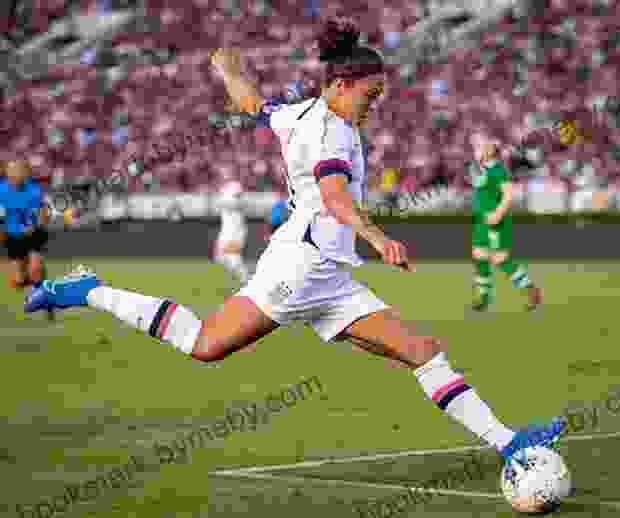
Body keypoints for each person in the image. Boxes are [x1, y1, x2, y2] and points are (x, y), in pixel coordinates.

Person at [25, 18, 564, 504]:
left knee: (422, 351)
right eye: (369, 95)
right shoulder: (332, 129)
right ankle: (88, 290)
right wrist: (377, 238)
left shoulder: (301, 113)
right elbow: (334, 197)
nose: (373, 105)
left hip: (327, 273)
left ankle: (510, 442)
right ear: (339, 85)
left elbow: (252, 106)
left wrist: (229, 71)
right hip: (299, 270)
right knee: (204, 344)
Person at [469, 136, 543, 312]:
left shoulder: (499, 170)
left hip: (496, 220)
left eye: (483, 147)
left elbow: (508, 195)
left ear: (492, 151)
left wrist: (497, 213)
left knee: (500, 258)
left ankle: (531, 291)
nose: (479, 149)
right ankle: (484, 296)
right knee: (479, 255)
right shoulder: (480, 170)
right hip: (482, 221)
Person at [0, 158, 53, 320]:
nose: (16, 174)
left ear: (25, 173)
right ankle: (40, 283)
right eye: (12, 171)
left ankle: (46, 300)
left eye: (20, 171)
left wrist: (37, 223)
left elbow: (44, 213)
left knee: (35, 269)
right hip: (13, 236)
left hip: (33, 234)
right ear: (7, 174)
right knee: (18, 281)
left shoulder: (34, 190)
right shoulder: (1, 190)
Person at [211, 180, 251, 284]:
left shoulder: (235, 199)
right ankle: (240, 274)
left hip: (235, 232)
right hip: (226, 231)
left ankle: (246, 279)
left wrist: (223, 198)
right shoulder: (226, 197)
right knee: (219, 258)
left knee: (233, 256)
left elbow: (232, 201)